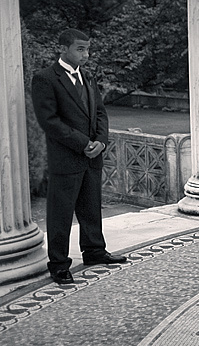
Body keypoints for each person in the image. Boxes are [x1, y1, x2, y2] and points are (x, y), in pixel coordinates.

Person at [31, 29, 127, 285]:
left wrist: (101, 142)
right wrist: (83, 143)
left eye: (87, 49)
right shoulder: (45, 79)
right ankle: (59, 264)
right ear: (62, 49)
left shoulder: (88, 76)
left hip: (92, 156)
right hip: (65, 157)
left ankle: (94, 251)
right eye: (80, 49)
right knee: (60, 214)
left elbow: (100, 113)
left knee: (91, 207)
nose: (86, 54)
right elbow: (49, 121)